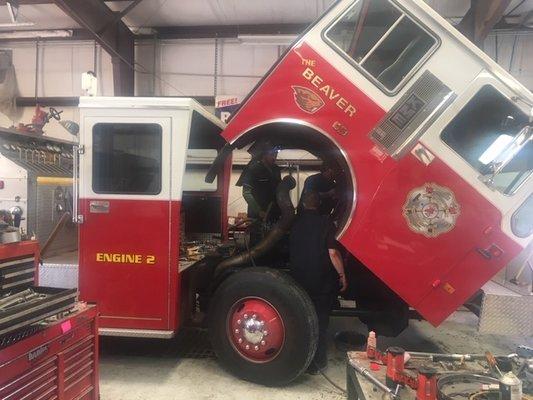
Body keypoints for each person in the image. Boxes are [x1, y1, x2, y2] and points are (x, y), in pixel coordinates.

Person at [290, 190, 347, 373]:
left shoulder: (294, 223)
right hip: (321, 281)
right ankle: (316, 363)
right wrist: (342, 275)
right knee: (320, 322)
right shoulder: (326, 222)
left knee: (301, 320)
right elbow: (332, 252)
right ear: (318, 204)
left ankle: (299, 359)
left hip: (298, 279)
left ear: (304, 204)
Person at [238, 143, 281, 244]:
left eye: (276, 155)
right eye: (272, 154)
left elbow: (279, 190)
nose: (275, 157)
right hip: (258, 217)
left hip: (273, 215)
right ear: (264, 154)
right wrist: (259, 211)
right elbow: (246, 193)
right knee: (257, 246)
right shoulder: (253, 169)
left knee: (273, 245)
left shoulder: (276, 169)